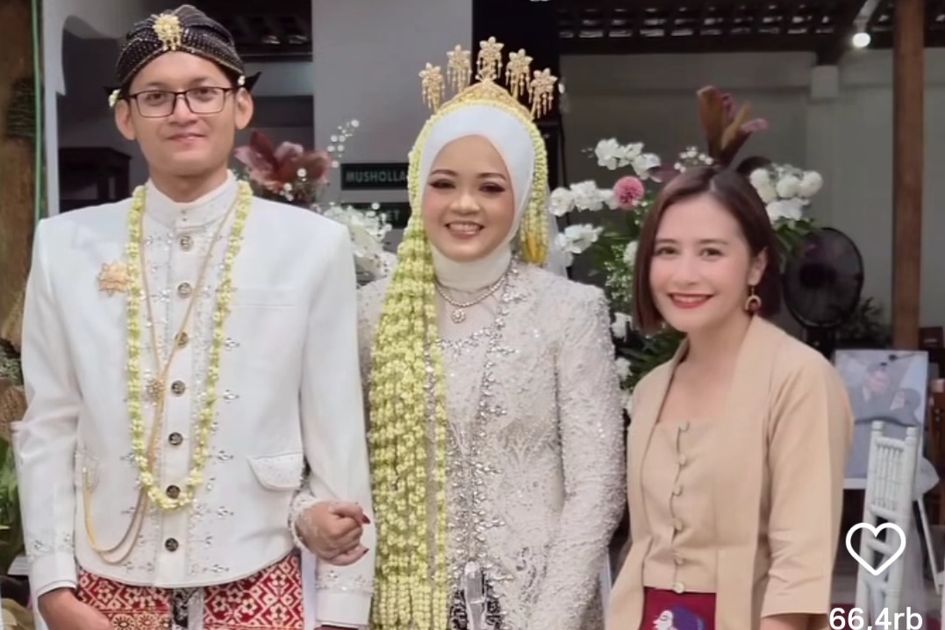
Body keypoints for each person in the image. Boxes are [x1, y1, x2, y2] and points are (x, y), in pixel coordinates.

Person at [13, 6, 373, 629]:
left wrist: (344, 607)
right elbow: (49, 427)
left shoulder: (311, 246)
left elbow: (335, 426)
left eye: (204, 92)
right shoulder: (64, 247)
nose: (182, 112)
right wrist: (52, 591)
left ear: (241, 106)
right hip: (104, 583)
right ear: (126, 116)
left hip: (258, 576)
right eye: (156, 96)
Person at [358, 41, 625, 630]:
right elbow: (334, 462)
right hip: (405, 607)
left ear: (523, 197)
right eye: (444, 183)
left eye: (491, 187)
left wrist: (551, 620)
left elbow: (598, 486)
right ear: (418, 189)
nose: (465, 205)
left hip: (540, 604)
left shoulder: (568, 311)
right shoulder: (371, 314)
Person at [607, 166, 853, 630]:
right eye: (667, 251)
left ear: (756, 265)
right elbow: (641, 545)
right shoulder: (650, 389)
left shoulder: (798, 379)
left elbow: (800, 565)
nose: (685, 274)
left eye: (711, 252)